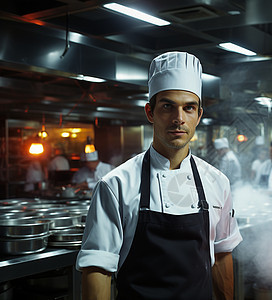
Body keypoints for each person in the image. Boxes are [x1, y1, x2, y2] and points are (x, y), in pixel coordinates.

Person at [76, 51, 242, 300]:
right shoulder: (116, 185)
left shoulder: (217, 181)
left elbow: (221, 255)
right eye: (167, 106)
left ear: (199, 116)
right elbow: (98, 269)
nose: (179, 119)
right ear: (150, 113)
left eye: (189, 108)